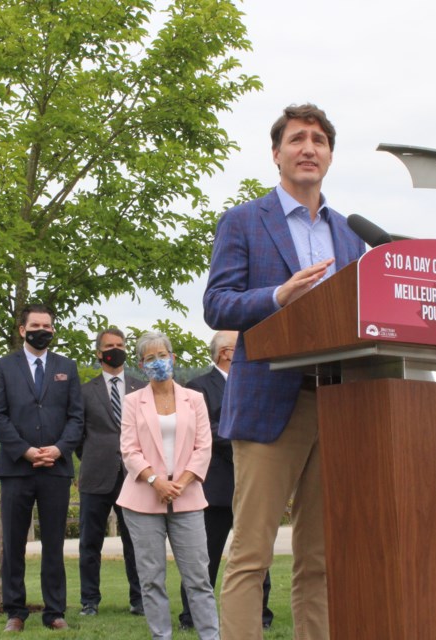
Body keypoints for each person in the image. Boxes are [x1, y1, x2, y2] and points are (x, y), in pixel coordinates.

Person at [202, 103, 365, 640]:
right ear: (276, 154)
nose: (308, 148)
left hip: (338, 404)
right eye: (297, 139)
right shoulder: (245, 221)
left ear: (330, 155)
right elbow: (218, 305)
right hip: (273, 402)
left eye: (319, 140)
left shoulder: (350, 235)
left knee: (318, 557)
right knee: (251, 553)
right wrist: (280, 294)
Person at [117, 331, 218, 640]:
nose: (158, 362)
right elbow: (129, 449)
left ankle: (211, 636)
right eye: (150, 358)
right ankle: (161, 636)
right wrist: (155, 480)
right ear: (141, 365)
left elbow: (204, 447)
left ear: (173, 358)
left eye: (162, 355)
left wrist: (182, 482)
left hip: (187, 498)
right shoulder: (133, 401)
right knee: (151, 579)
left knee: (199, 578)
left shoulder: (195, 399)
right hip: (142, 500)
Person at [0, 304, 84, 632]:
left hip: (56, 469)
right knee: (14, 543)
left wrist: (58, 450)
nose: (42, 330)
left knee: (54, 543)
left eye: (47, 325)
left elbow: (76, 417)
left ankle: (55, 611)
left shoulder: (66, 367)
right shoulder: (2, 367)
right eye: (35, 325)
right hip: (16, 469)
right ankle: (15, 612)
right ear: (22, 330)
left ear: (53, 330)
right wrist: (26, 451)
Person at [178, 331, 273, 632]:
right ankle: (191, 617)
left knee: (256, 549)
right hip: (216, 485)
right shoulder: (199, 387)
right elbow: (204, 429)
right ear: (226, 353)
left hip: (253, 483)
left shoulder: (256, 383)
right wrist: (245, 439)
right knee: (204, 556)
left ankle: (260, 615)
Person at [77, 328, 145, 617]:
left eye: (119, 345)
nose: (115, 349)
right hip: (96, 475)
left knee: (136, 541)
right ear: (98, 352)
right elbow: (78, 436)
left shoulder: (141, 388)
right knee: (90, 542)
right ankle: (89, 601)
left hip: (133, 476)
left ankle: (139, 600)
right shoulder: (84, 391)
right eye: (109, 346)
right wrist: (95, 456)